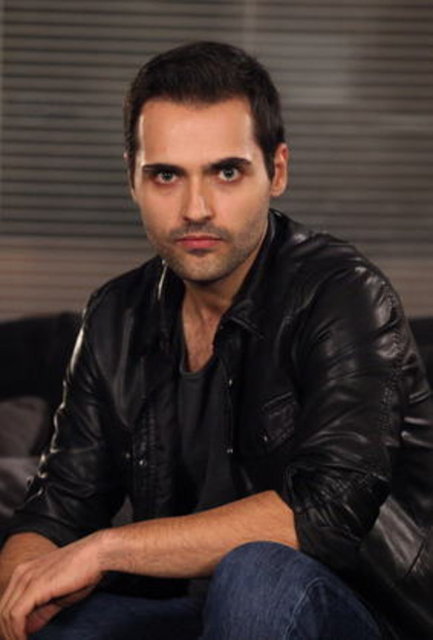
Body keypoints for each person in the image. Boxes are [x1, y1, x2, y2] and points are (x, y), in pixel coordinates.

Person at [0, 41, 432, 640]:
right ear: (132, 179)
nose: (196, 208)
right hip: (188, 610)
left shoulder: (343, 294)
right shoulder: (115, 316)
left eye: (226, 172)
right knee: (54, 617)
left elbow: (327, 512)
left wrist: (106, 548)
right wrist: (23, 588)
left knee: (254, 573)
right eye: (166, 175)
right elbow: (56, 508)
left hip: (359, 611)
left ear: (277, 171)